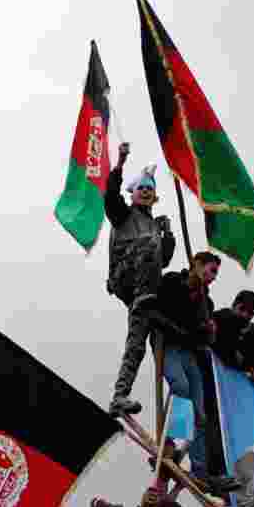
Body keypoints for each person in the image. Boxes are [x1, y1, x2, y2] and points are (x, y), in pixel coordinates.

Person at [155, 251, 239, 495]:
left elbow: (204, 338)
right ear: (196, 264)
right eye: (211, 270)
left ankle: (200, 469)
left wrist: (209, 330)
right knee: (180, 388)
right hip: (169, 346)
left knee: (200, 414)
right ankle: (170, 443)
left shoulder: (207, 303)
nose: (213, 277)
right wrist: (185, 322)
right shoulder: (173, 282)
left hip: (189, 352)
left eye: (216, 273)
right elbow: (158, 311)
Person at [105, 142, 176, 417]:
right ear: (133, 194)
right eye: (141, 188)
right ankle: (146, 302)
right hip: (127, 277)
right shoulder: (124, 214)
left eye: (150, 189)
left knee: (136, 343)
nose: (146, 192)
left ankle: (119, 395)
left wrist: (167, 235)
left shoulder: (153, 225)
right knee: (148, 244)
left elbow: (164, 261)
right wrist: (120, 163)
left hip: (145, 291)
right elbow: (110, 196)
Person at [211, 290, 254, 369]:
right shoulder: (218, 318)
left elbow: (247, 364)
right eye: (242, 309)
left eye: (250, 313)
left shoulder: (251, 335)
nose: (245, 315)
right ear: (234, 305)